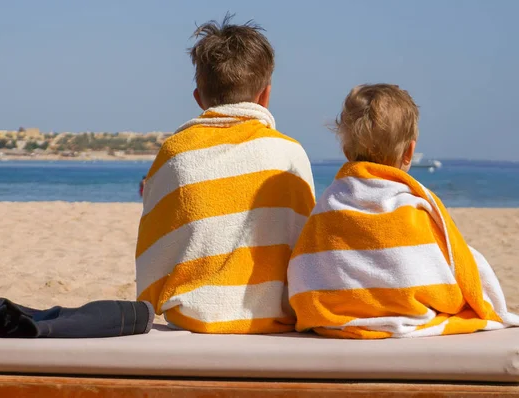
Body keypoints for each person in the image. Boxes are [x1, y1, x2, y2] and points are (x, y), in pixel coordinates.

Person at [287, 84, 519, 339]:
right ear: (409, 152)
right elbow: (452, 271)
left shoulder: (328, 206)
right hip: (410, 319)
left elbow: (305, 271)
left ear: (345, 152)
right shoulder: (415, 206)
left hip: (334, 322)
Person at [136, 14, 315, 334]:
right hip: (275, 322)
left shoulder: (176, 153)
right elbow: (305, 250)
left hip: (195, 321)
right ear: (265, 95)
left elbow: (153, 259)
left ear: (199, 99)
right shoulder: (290, 154)